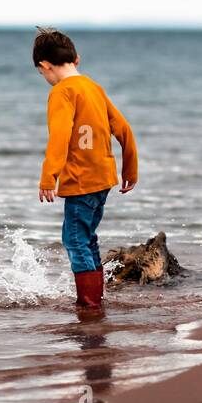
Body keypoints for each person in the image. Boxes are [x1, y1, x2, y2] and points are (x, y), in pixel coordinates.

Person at [33, 27, 138, 309]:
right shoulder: (93, 87)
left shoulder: (62, 92)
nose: (44, 78)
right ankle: (95, 299)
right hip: (104, 178)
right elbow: (124, 129)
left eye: (41, 73)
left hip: (81, 180)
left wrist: (48, 176)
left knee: (74, 239)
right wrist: (130, 169)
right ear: (75, 60)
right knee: (87, 238)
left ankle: (89, 304)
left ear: (44, 65)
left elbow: (60, 136)